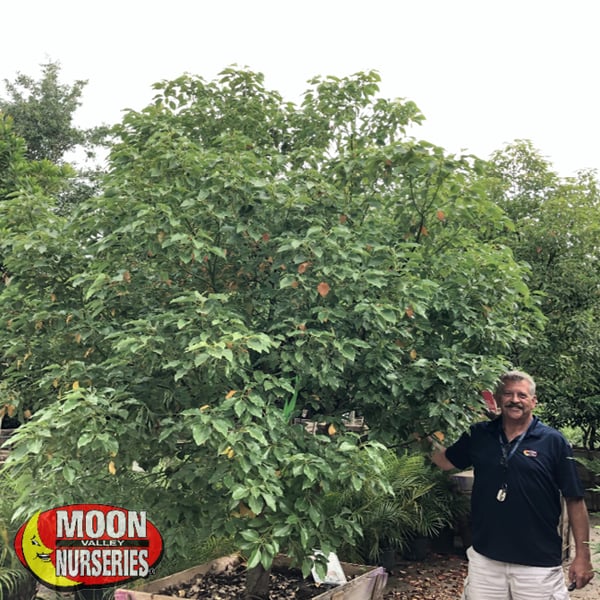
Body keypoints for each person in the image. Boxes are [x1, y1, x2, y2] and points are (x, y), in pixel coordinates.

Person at [431, 370, 594, 599]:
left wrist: (582, 556)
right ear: (498, 398)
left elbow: (575, 499)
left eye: (522, 395)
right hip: (486, 562)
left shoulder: (553, 441)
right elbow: (445, 461)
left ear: (533, 402)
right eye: (508, 394)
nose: (515, 400)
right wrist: (420, 430)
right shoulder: (479, 435)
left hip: (537, 565)